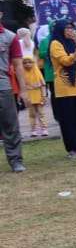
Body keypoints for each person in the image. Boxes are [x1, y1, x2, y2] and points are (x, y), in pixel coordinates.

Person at [48, 19, 76, 158]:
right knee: (68, 119)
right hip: (64, 87)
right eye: (67, 28)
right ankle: (73, 149)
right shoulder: (55, 44)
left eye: (72, 28)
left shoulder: (73, 41)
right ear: (60, 30)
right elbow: (66, 61)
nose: (70, 31)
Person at [0, 23, 24, 172]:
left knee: (10, 125)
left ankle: (16, 161)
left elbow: (18, 65)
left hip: (3, 86)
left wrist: (23, 89)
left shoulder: (10, 36)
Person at [20, 56, 49, 138]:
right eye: (25, 63)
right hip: (29, 97)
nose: (27, 64)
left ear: (33, 63)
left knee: (41, 113)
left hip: (39, 96)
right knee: (32, 114)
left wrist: (44, 96)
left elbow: (43, 85)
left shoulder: (37, 72)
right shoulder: (22, 74)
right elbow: (22, 86)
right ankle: (34, 130)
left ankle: (44, 129)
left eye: (29, 62)